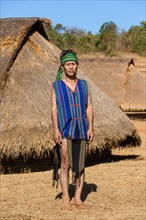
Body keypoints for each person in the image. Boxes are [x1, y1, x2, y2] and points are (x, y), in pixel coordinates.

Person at [51, 50, 94, 211]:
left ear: (77, 65)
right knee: (65, 164)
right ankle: (66, 199)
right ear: (62, 66)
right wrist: (55, 129)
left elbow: (89, 107)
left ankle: (77, 198)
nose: (71, 67)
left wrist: (90, 127)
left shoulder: (84, 84)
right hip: (65, 129)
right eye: (68, 64)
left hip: (82, 129)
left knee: (80, 165)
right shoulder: (57, 86)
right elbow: (54, 109)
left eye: (73, 64)